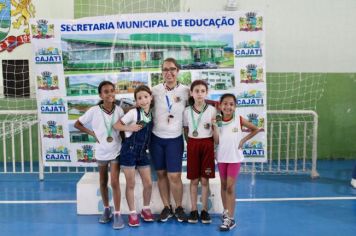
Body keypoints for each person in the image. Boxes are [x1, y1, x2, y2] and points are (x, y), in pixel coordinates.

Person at [74, 81, 125, 230]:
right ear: (100, 95)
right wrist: (92, 133)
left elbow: (121, 130)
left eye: (111, 91)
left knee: (114, 182)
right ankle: (107, 208)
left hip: (116, 150)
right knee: (103, 181)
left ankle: (117, 213)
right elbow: (77, 124)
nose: (110, 94)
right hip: (102, 151)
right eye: (106, 91)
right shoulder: (94, 110)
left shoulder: (119, 110)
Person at [150, 57, 190, 222]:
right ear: (162, 72)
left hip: (175, 139)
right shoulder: (154, 90)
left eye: (172, 69)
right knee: (161, 175)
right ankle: (167, 207)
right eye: (165, 69)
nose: (169, 73)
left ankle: (179, 207)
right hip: (156, 139)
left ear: (178, 71)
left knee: (174, 176)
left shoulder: (186, 91)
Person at [216, 93, 261, 231]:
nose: (228, 106)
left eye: (231, 104)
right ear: (220, 105)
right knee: (223, 185)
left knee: (230, 187)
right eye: (225, 103)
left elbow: (255, 129)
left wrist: (242, 140)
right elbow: (216, 139)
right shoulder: (217, 120)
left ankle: (231, 218)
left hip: (234, 158)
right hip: (221, 157)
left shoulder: (239, 119)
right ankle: (225, 212)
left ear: (235, 107)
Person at [113, 85, 154, 227]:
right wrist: (129, 128)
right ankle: (132, 213)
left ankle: (146, 208)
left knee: (148, 183)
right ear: (136, 101)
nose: (143, 100)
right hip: (129, 152)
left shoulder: (152, 114)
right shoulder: (133, 113)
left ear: (151, 98)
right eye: (139, 98)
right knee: (131, 184)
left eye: (145, 97)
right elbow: (116, 125)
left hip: (143, 152)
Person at [183, 80, 219, 224]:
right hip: (193, 143)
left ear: (206, 93)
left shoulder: (212, 110)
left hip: (207, 144)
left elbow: (215, 129)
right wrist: (190, 142)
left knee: (205, 179)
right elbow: (185, 129)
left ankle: (204, 210)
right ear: (191, 93)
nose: (199, 93)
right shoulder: (187, 111)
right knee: (194, 180)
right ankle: (193, 210)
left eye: (202, 91)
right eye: (196, 91)